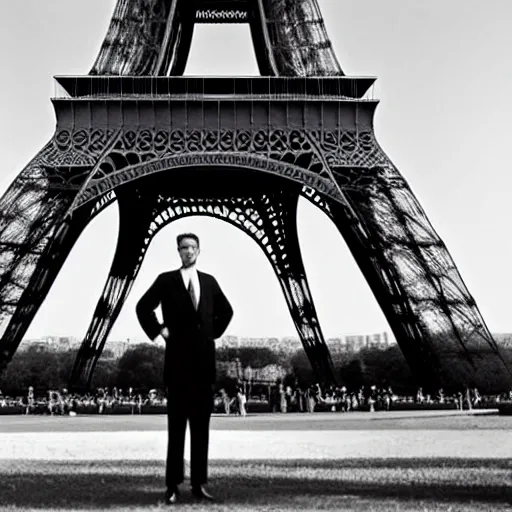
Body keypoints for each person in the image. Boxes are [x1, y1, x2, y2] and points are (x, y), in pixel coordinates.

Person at [136, 232, 233, 505]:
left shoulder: (209, 282)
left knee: (200, 429)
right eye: (183, 248)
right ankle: (172, 484)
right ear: (178, 251)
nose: (187, 251)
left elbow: (227, 311)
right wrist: (159, 331)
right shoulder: (166, 280)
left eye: (191, 247)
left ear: (199, 250)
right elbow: (143, 307)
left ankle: (199, 483)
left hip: (202, 365)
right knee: (176, 428)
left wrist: (210, 334)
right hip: (178, 364)